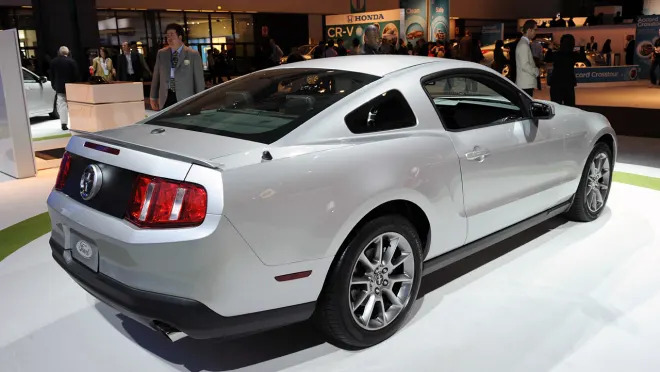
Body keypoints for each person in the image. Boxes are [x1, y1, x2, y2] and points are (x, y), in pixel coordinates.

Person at [149, 23, 204, 111]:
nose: (169, 38)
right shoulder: (161, 53)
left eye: (172, 35)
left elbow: (199, 81)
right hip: (166, 97)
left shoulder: (193, 54)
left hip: (186, 98)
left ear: (180, 37)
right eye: (167, 36)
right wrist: (153, 97)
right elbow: (156, 77)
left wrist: (200, 100)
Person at [49, 46, 80, 130]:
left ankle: (64, 123)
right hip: (71, 86)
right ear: (68, 52)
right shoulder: (72, 61)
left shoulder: (53, 62)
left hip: (59, 86)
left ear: (59, 52)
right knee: (73, 105)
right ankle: (76, 123)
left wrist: (54, 85)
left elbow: (51, 75)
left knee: (62, 105)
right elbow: (76, 75)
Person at [548, 34, 577, 106]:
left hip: (556, 83)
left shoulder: (556, 54)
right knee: (570, 107)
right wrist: (582, 47)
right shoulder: (573, 55)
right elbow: (583, 58)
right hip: (569, 83)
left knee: (556, 107)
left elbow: (547, 59)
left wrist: (549, 49)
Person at [516, 20, 540, 97]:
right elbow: (524, 65)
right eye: (535, 30)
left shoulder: (524, 43)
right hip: (525, 85)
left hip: (525, 84)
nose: (535, 32)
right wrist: (536, 71)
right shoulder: (523, 44)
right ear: (529, 30)